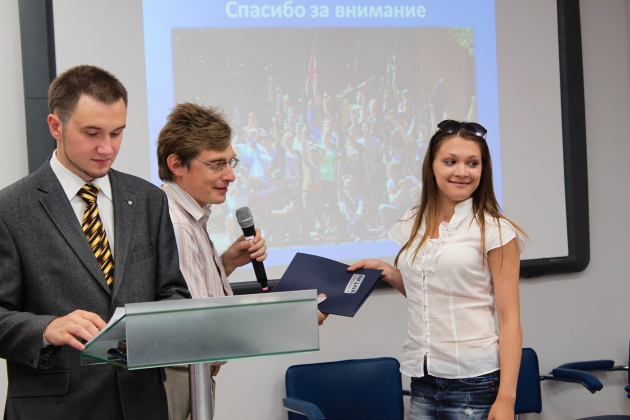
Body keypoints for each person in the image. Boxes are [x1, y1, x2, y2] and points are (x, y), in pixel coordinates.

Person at [0, 65, 191, 420]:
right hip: (56, 409)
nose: (107, 148)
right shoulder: (10, 209)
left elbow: (173, 292)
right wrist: (46, 328)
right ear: (55, 126)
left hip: (142, 403)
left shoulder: (148, 200)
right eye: (92, 133)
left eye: (117, 133)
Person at [156, 103, 328, 419]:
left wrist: (225, 264)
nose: (230, 175)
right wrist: (295, 317)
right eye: (217, 164)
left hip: (193, 372)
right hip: (181, 375)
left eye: (230, 162)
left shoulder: (188, 216)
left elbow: (184, 290)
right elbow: (197, 319)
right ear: (177, 164)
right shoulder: (175, 223)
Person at [349, 120, 525, 419]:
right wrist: (388, 272)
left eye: (473, 163)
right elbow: (429, 295)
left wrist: (506, 399)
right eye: (450, 161)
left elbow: (511, 322)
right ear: (432, 166)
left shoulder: (495, 230)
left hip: (475, 381)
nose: (462, 171)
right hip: (423, 378)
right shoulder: (412, 222)